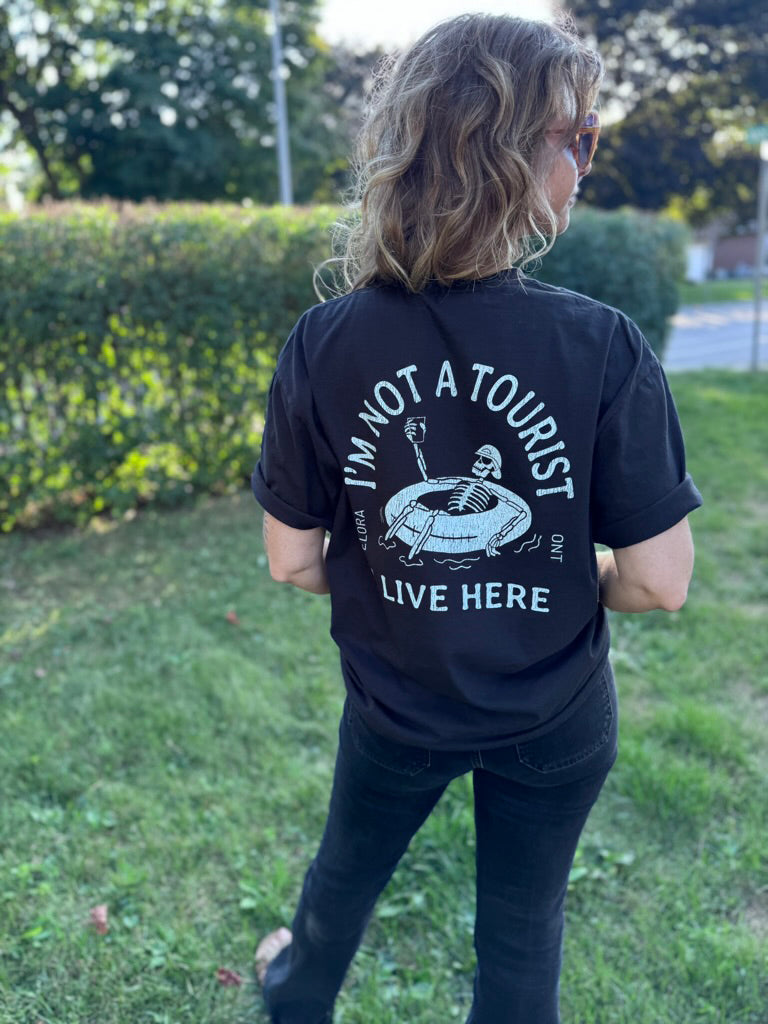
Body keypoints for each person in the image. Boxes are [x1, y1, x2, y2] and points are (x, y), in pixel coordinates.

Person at [251, 12, 701, 1024]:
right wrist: (552, 574)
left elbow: (290, 560)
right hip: (558, 713)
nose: (586, 165)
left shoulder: (323, 343)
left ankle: (294, 995)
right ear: (503, 154)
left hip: (395, 708)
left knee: (339, 886)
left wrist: (398, 574)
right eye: (578, 138)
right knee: (521, 935)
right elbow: (658, 582)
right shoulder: (602, 347)